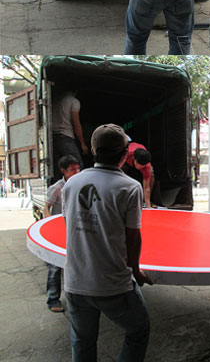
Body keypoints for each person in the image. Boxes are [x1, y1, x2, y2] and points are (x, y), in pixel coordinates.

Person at [62, 124, 152, 361]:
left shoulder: (71, 184)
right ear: (124, 154)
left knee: (82, 341)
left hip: (75, 281)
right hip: (113, 284)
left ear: (93, 151)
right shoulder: (129, 187)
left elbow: (70, 225)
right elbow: (133, 237)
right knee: (138, 330)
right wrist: (136, 271)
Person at [44, 155, 81, 313]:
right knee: (55, 265)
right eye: (72, 170)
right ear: (63, 171)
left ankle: (79, 296)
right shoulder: (57, 188)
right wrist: (49, 225)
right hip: (59, 230)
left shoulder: (80, 184)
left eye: (78, 169)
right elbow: (47, 207)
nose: (77, 172)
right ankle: (53, 299)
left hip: (75, 228)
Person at [52, 89, 88, 174]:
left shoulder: (55, 101)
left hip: (53, 138)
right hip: (65, 137)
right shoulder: (73, 101)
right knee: (77, 166)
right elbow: (76, 123)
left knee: (58, 169)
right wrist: (83, 144)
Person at [123, 141, 155, 208]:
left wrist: (148, 207)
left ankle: (144, 201)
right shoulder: (127, 153)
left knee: (151, 176)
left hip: (141, 159)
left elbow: (146, 188)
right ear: (134, 159)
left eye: (142, 165)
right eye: (138, 164)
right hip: (125, 161)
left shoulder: (147, 167)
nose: (140, 167)